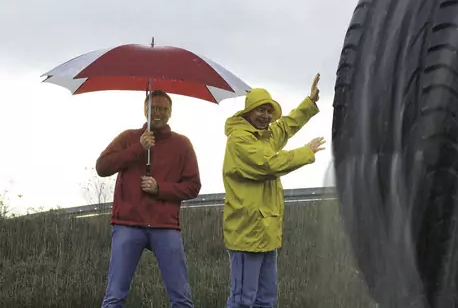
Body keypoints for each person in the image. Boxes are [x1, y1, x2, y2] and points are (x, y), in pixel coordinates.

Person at [222, 74, 327, 308]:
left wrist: (310, 102)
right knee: (241, 301)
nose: (266, 116)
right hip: (246, 233)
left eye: (269, 111)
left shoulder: (266, 136)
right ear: (248, 112)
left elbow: (286, 125)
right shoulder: (240, 140)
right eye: (261, 110)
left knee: (266, 300)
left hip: (267, 233)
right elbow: (268, 165)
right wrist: (305, 152)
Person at [95, 90, 202, 308]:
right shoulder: (128, 138)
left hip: (165, 226)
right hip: (128, 224)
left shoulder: (183, 144)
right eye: (154, 108)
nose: (159, 113)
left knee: (181, 298)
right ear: (145, 110)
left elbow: (193, 187)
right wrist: (138, 148)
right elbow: (102, 167)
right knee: (115, 296)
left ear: (171, 112)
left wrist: (160, 188)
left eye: (164, 109)